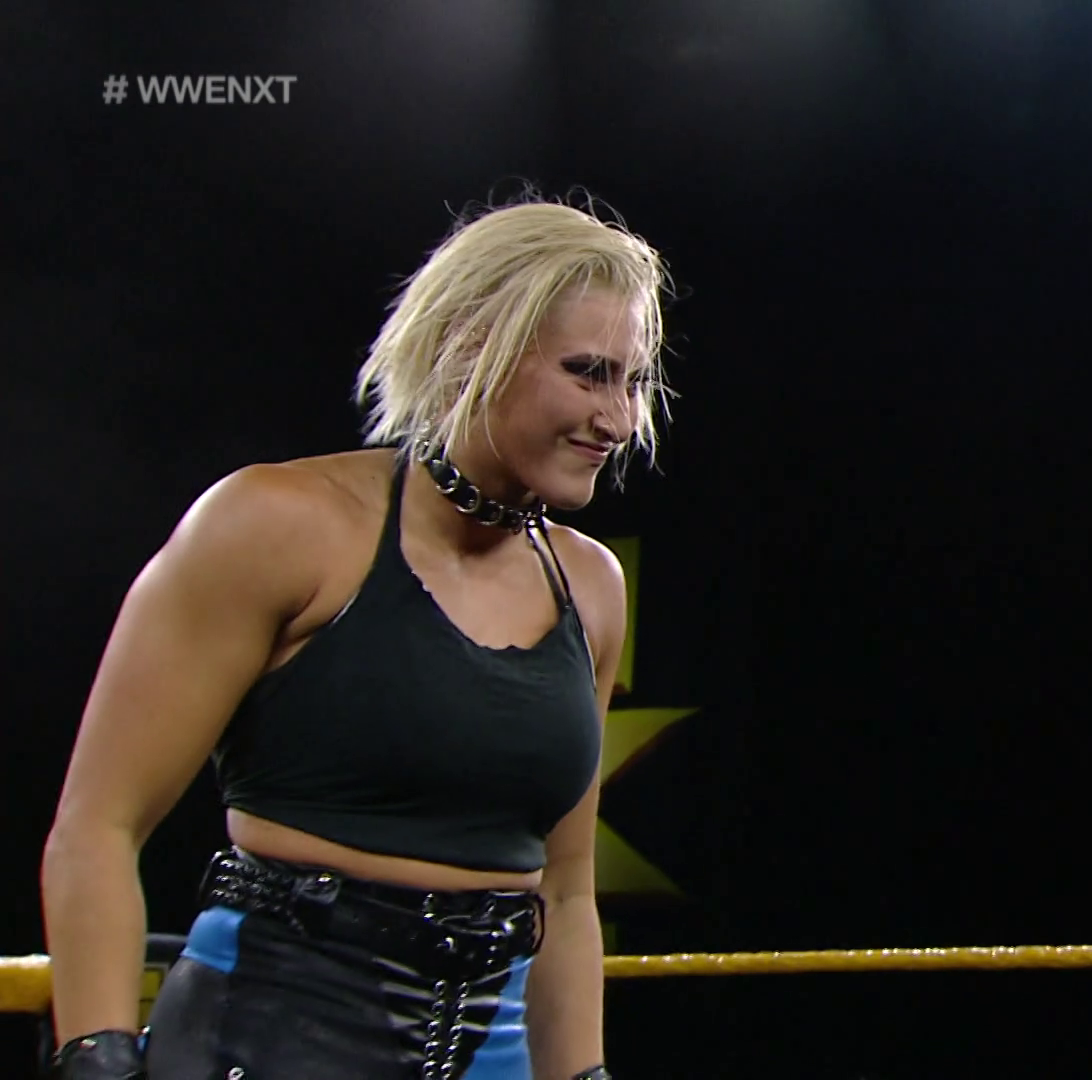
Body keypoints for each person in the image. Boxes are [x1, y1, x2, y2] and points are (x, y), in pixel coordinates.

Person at [38, 194, 673, 1079]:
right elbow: (97, 827)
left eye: (633, 382)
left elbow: (565, 896)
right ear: (470, 348)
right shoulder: (277, 525)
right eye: (589, 373)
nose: (620, 420)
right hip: (263, 1043)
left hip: (491, 1053)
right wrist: (98, 1055)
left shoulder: (591, 586)